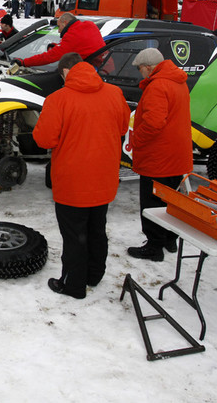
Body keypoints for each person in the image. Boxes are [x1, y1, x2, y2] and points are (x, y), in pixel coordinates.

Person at [33, 54, 130, 299]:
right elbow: (122, 128)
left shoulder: (59, 99)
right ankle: (94, 275)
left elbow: (44, 139)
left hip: (72, 181)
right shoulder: (114, 93)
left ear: (66, 71)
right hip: (104, 177)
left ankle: (73, 285)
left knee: (75, 235)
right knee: (97, 229)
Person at [126, 48, 193, 262]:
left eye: (140, 68)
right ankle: (169, 238)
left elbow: (153, 123)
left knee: (152, 201)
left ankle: (154, 246)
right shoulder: (178, 81)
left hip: (158, 156)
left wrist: (136, 140)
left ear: (148, 67)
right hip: (177, 153)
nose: (140, 73)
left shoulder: (157, 86)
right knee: (170, 199)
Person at [13, 13, 105, 68]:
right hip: (106, 66)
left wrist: (24, 62)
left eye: (59, 26)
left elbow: (50, 57)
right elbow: (79, 46)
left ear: (65, 23)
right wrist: (58, 46)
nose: (58, 30)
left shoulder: (71, 36)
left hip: (94, 70)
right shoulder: (90, 25)